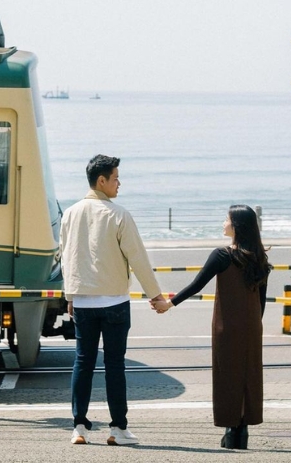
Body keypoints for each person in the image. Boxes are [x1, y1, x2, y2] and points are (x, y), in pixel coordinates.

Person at [59, 154, 168, 446]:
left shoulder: (69, 214)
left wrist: (70, 295)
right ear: (102, 180)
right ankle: (118, 429)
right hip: (114, 302)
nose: (120, 183)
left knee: (82, 363)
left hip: (82, 301)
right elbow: (138, 259)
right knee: (114, 365)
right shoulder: (119, 215)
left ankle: (79, 428)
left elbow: (66, 258)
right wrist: (155, 295)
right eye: (116, 178)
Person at [153, 204, 271, 450]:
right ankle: (243, 432)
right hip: (252, 327)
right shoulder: (259, 257)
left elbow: (196, 285)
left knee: (227, 375)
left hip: (226, 326)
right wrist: (253, 325)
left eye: (226, 219)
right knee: (249, 375)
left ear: (236, 225)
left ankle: (231, 430)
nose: (223, 223)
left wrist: (168, 304)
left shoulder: (222, 255)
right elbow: (261, 301)